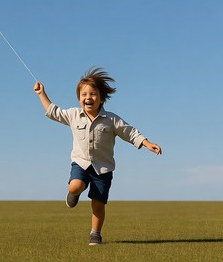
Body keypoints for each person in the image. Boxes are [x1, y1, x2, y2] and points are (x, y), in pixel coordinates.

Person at [33, 67, 162, 245]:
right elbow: (53, 112)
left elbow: (130, 132)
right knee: (75, 186)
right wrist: (42, 94)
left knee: (98, 204)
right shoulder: (73, 115)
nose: (88, 97)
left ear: (101, 98)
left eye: (93, 94)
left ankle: (95, 234)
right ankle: (74, 194)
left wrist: (146, 143)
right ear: (79, 98)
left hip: (103, 168)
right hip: (81, 163)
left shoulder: (111, 119)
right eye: (84, 94)